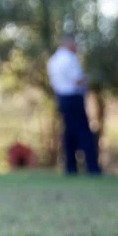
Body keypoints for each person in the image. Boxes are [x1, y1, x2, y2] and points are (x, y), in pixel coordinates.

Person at [46, 34, 102, 175]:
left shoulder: (52, 60)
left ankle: (70, 167)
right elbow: (77, 80)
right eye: (74, 43)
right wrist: (87, 82)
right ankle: (92, 167)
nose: (76, 46)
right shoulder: (70, 59)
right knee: (84, 132)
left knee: (68, 133)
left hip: (61, 99)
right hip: (74, 98)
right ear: (68, 43)